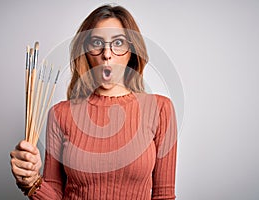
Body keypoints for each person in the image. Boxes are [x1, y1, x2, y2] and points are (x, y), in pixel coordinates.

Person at [10, 4, 178, 200]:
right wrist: (31, 182)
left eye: (118, 43)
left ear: (132, 50)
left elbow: (164, 196)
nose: (107, 54)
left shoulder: (160, 109)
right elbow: (55, 194)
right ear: (85, 52)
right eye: (97, 43)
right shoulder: (60, 114)